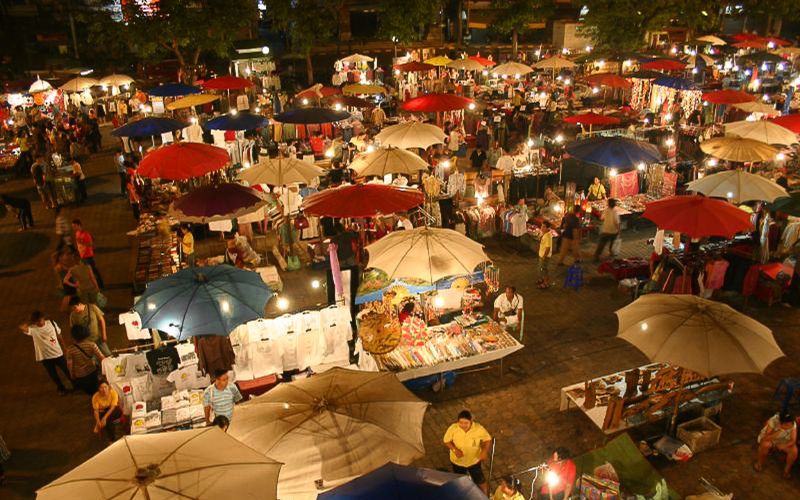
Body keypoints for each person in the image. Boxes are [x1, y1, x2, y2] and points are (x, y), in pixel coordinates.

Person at [20, 311, 72, 395]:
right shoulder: (33, 329)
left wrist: (64, 347)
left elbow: (59, 335)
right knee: (53, 374)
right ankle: (61, 389)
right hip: (45, 357)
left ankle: (76, 384)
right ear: (34, 322)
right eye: (37, 321)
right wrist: (30, 321)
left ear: (44, 318)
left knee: (67, 370)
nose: (40, 323)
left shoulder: (51, 323)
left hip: (57, 353)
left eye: (41, 320)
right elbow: (22, 327)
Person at [443, 410, 492, 494]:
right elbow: (446, 441)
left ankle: (485, 495)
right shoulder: (453, 428)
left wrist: (484, 451)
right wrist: (455, 450)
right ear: (457, 422)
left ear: (471, 422)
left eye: (466, 423)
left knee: (480, 480)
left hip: (474, 461)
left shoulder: (478, 428)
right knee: (460, 480)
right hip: (457, 462)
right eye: (461, 422)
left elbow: (487, 439)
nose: (463, 425)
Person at [755, 411, 797, 478]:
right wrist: (779, 431)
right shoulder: (773, 421)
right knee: (765, 445)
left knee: (794, 451)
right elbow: (765, 438)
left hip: (783, 440)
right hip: (771, 438)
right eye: (787, 425)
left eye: (791, 424)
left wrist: (784, 445)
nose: (790, 426)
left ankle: (786, 471)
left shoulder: (792, 423)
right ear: (780, 423)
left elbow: (793, 440)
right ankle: (759, 463)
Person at [65, 324, 105, 395]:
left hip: (80, 375)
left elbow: (69, 364)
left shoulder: (70, 350)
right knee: (96, 388)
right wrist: (104, 369)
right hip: (92, 371)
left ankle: (93, 399)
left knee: (87, 390)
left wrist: (72, 374)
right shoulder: (92, 345)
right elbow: (101, 357)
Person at [72, 219, 104, 289]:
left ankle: (100, 285)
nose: (73, 228)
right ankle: (96, 285)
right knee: (89, 272)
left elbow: (90, 244)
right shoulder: (77, 233)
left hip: (88, 256)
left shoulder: (86, 234)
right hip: (82, 256)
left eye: (74, 226)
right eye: (73, 227)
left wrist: (82, 242)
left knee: (94, 271)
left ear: (79, 225)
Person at [92, 377, 122, 442]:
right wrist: (97, 421)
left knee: (107, 420)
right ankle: (112, 439)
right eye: (101, 388)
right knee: (108, 422)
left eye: (105, 387)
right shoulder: (95, 396)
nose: (104, 389)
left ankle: (111, 440)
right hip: (102, 411)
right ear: (98, 389)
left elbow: (113, 407)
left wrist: (104, 418)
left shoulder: (113, 393)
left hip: (113, 409)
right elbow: (96, 411)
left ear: (108, 387)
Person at [537, 221, 553, 289]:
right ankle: (542, 280)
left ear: (548, 228)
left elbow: (548, 248)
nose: (542, 228)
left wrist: (544, 256)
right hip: (542, 255)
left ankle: (546, 283)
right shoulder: (545, 234)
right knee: (541, 268)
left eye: (544, 227)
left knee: (544, 269)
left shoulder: (548, 236)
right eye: (542, 226)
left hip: (545, 256)